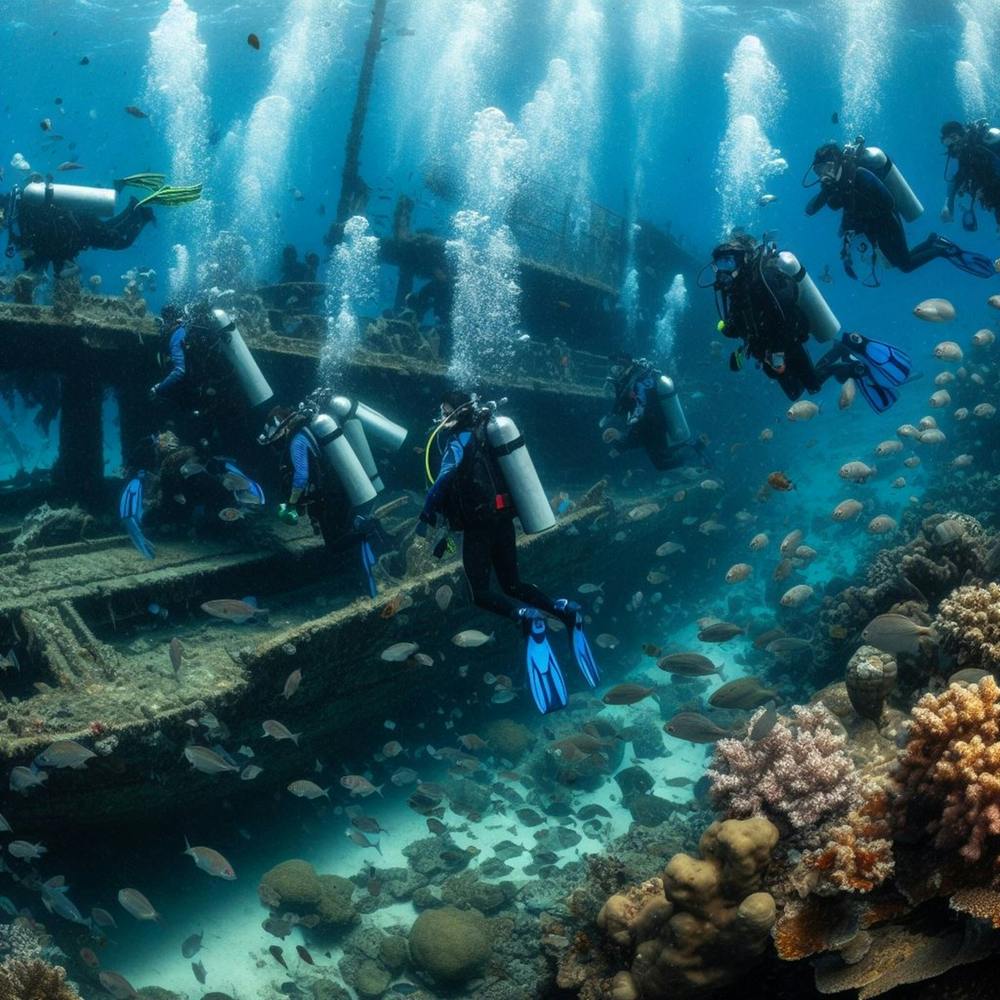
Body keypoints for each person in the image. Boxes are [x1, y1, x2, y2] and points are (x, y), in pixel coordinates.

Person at [417, 391, 599, 714]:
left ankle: (526, 618)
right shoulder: (488, 435)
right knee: (513, 584)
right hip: (503, 520)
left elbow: (444, 478)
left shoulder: (458, 439)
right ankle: (564, 610)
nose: (440, 417)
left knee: (480, 592)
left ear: (456, 412)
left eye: (444, 411)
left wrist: (426, 514)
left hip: (478, 525)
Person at [707, 234, 912, 413]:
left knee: (812, 386)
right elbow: (737, 326)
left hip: (787, 342)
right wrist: (727, 329)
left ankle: (847, 360)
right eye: (719, 265)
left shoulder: (765, 279)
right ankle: (840, 354)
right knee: (795, 392)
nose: (722, 271)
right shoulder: (733, 292)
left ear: (743, 259)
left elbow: (786, 315)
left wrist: (778, 353)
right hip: (766, 351)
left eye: (728, 262)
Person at [805, 138, 996, 281]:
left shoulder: (860, 175)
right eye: (819, 170)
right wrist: (827, 190)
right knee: (897, 262)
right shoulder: (833, 185)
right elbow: (810, 209)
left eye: (827, 167)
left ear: (838, 162)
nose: (824, 173)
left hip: (888, 222)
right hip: (873, 226)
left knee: (905, 265)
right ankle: (933, 240)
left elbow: (888, 203)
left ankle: (941, 250)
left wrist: (860, 218)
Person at [259, 404, 384, 596]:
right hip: (338, 488)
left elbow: (301, 476)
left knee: (336, 543)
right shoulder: (306, 430)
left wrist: (292, 503)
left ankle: (370, 530)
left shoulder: (296, 441)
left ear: (284, 428)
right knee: (340, 537)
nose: (276, 442)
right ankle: (368, 540)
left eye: (276, 437)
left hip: (331, 495)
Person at [2, 172, 200, 278]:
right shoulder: (20, 214)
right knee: (113, 235)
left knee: (120, 241)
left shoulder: (22, 216)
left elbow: (47, 242)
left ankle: (142, 208)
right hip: (78, 227)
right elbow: (45, 244)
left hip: (79, 226)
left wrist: (53, 262)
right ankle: (137, 207)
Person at [602, 354, 702, 470]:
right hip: (652, 429)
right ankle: (696, 448)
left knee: (662, 463)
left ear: (625, 366)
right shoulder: (634, 381)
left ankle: (698, 448)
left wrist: (622, 443)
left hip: (654, 430)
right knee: (663, 462)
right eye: (613, 369)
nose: (614, 372)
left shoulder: (638, 383)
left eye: (617, 368)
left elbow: (640, 415)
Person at [940, 119, 1000, 230]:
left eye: (954, 138)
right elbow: (953, 182)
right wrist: (947, 205)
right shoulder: (961, 159)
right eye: (947, 141)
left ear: (962, 134)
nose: (953, 144)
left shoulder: (985, 141)